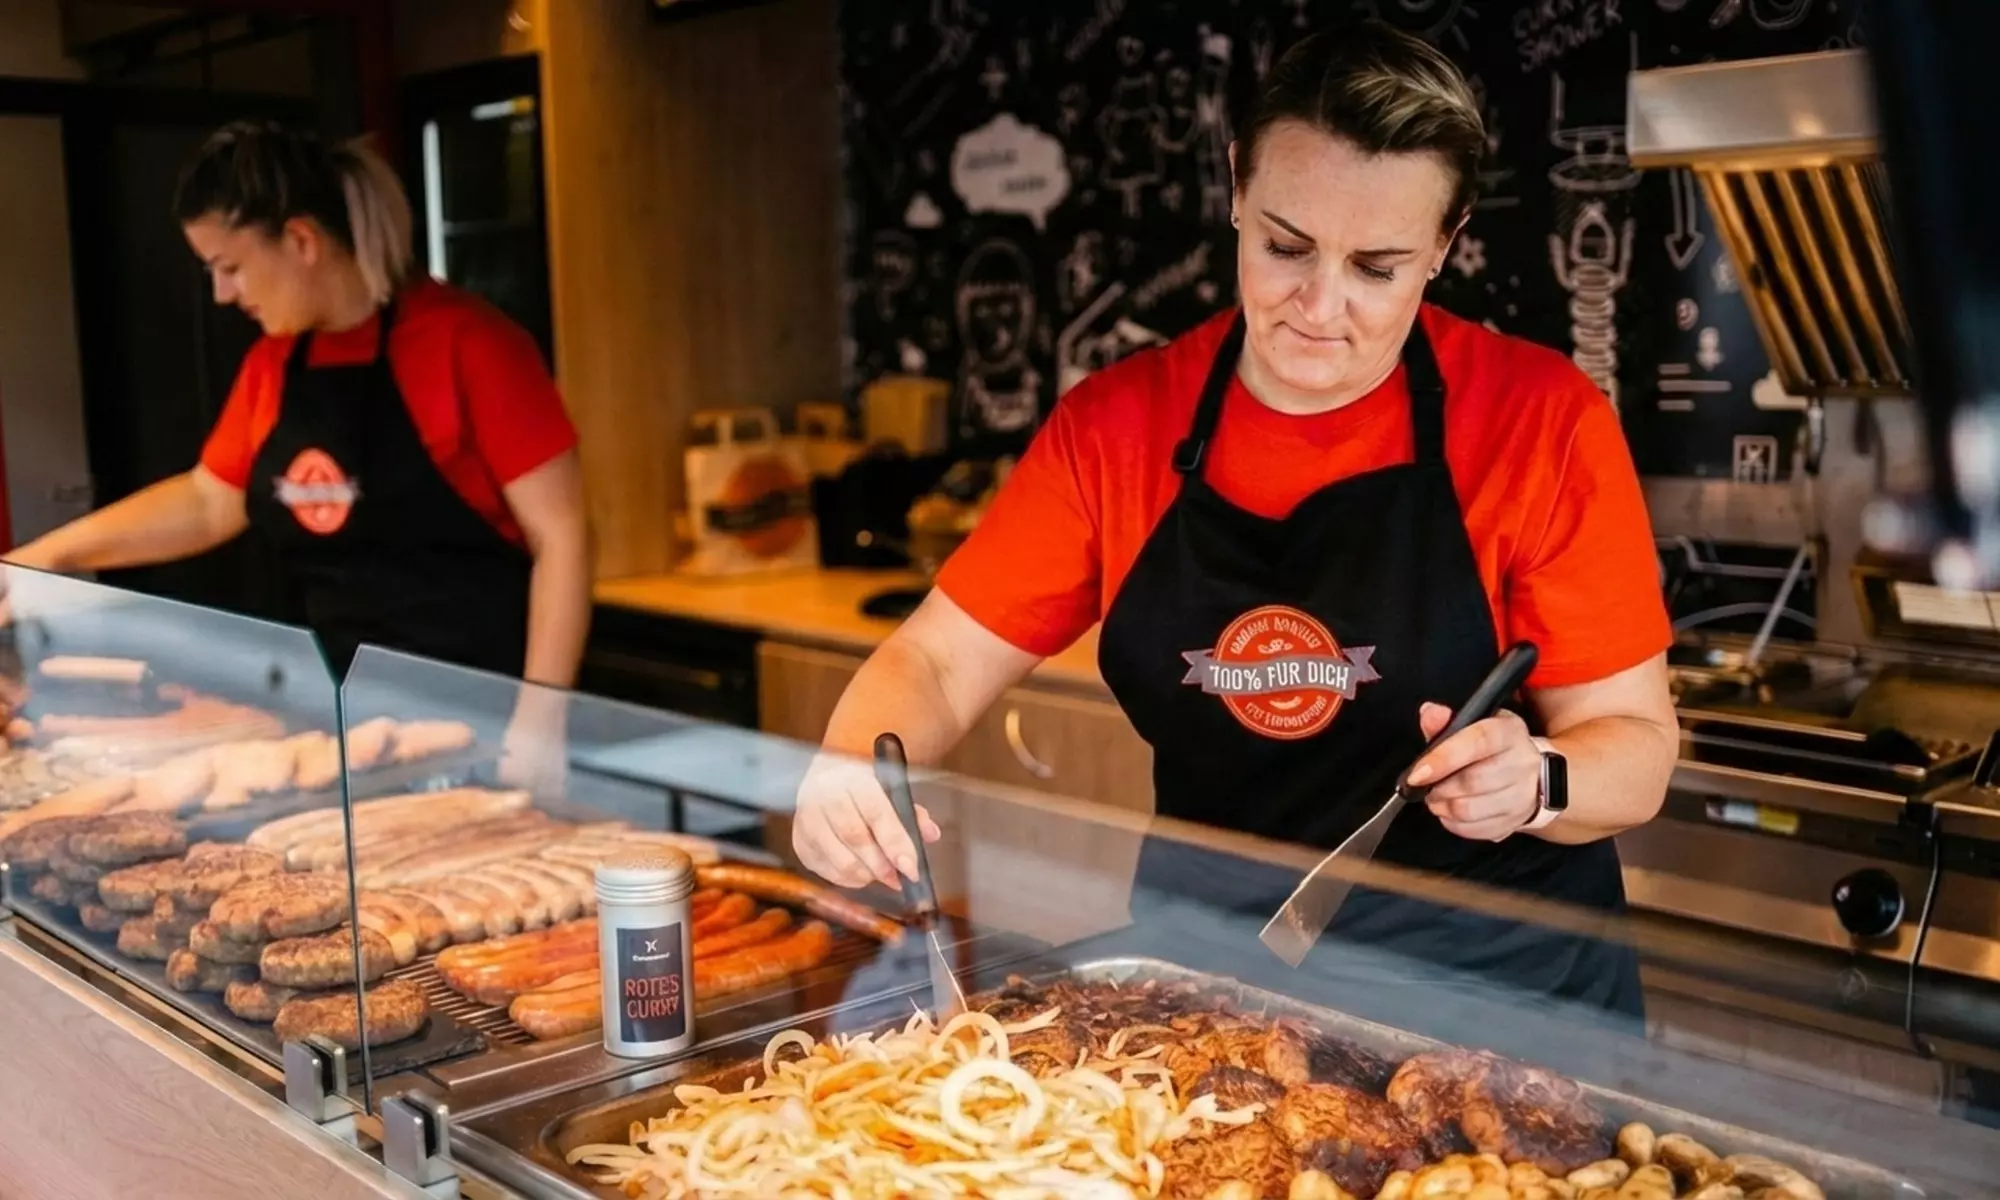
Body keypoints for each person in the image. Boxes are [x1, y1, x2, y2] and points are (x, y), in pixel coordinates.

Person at [791, 22, 1678, 1015]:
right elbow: (939, 663)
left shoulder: (1537, 421)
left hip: (1498, 1005)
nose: (1318, 305)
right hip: (1212, 992)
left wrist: (1540, 781)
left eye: (1375, 267)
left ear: (1445, 241)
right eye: (1284, 246)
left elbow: (1633, 747)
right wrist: (850, 762)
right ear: (1234, 189)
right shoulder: (1116, 426)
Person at [7, 121, 590, 694]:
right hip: (340, 709)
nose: (222, 294)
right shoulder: (274, 363)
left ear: (302, 241)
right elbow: (210, 501)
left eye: (230, 267)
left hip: (487, 704)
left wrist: (538, 725)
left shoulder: (471, 345)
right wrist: (45, 557)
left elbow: (561, 537)